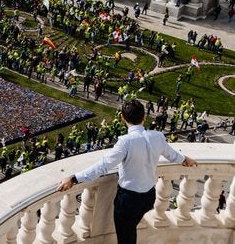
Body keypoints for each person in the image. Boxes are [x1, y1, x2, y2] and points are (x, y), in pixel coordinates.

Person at [57, 100, 197, 244]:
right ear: (144, 117)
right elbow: (172, 155)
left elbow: (103, 166)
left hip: (129, 200)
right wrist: (185, 159)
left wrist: (74, 178)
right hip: (149, 196)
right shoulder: (157, 137)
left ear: (122, 117)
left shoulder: (126, 141)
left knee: (126, 237)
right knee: (129, 230)